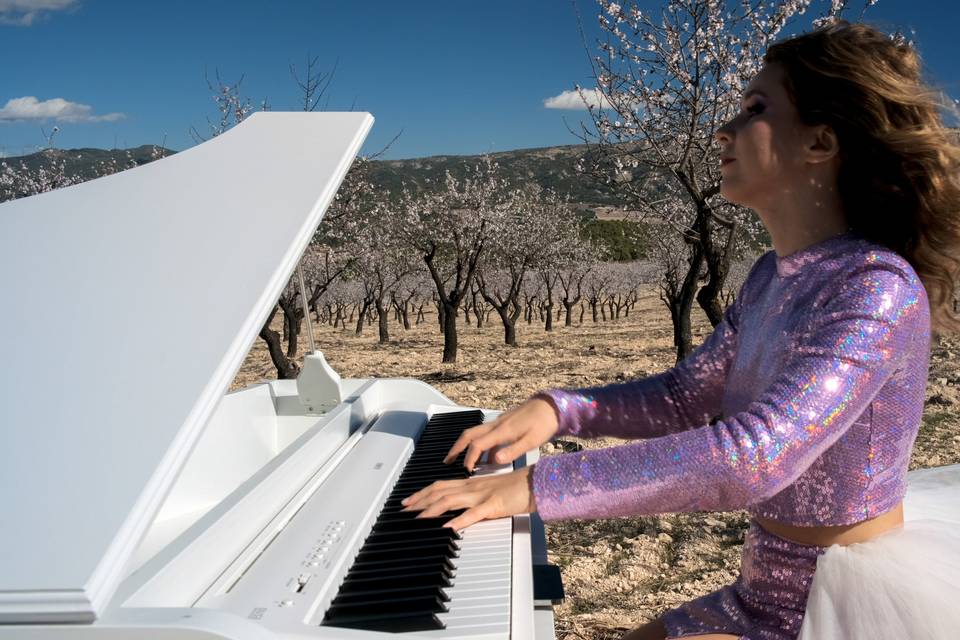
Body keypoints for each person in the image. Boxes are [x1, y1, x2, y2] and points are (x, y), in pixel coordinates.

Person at [401, 20, 960, 640]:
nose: (724, 130)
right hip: (762, 588)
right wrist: (558, 409)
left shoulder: (875, 287)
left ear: (821, 141)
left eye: (754, 110)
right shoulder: (771, 277)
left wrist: (538, 485)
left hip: (836, 607)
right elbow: (686, 396)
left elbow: (756, 457)